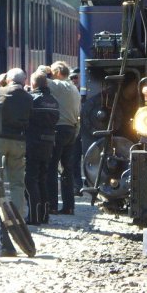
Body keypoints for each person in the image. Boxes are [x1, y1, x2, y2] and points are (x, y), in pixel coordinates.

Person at [46, 61, 82, 215]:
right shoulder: (74, 88)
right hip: (72, 131)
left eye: (52, 73)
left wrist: (44, 69)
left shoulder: (59, 86)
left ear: (58, 73)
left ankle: (52, 205)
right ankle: (69, 206)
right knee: (67, 169)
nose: (51, 76)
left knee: (52, 167)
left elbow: (38, 78)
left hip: (59, 130)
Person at [25, 71, 60, 224]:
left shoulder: (32, 99)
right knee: (42, 179)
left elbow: (25, 119)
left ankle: (33, 217)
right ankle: (45, 215)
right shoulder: (53, 101)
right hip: (48, 143)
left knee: (31, 180)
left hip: (33, 143)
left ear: (33, 84)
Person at [0, 68, 33, 214]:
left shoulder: (0, 93)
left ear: (8, 79)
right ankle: (18, 214)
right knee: (17, 182)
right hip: (18, 140)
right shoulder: (28, 98)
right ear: (24, 81)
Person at [70, 67, 84, 195]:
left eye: (76, 77)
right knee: (74, 160)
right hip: (76, 130)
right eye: (72, 78)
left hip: (86, 129)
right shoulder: (69, 93)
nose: (74, 80)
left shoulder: (84, 92)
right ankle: (77, 185)